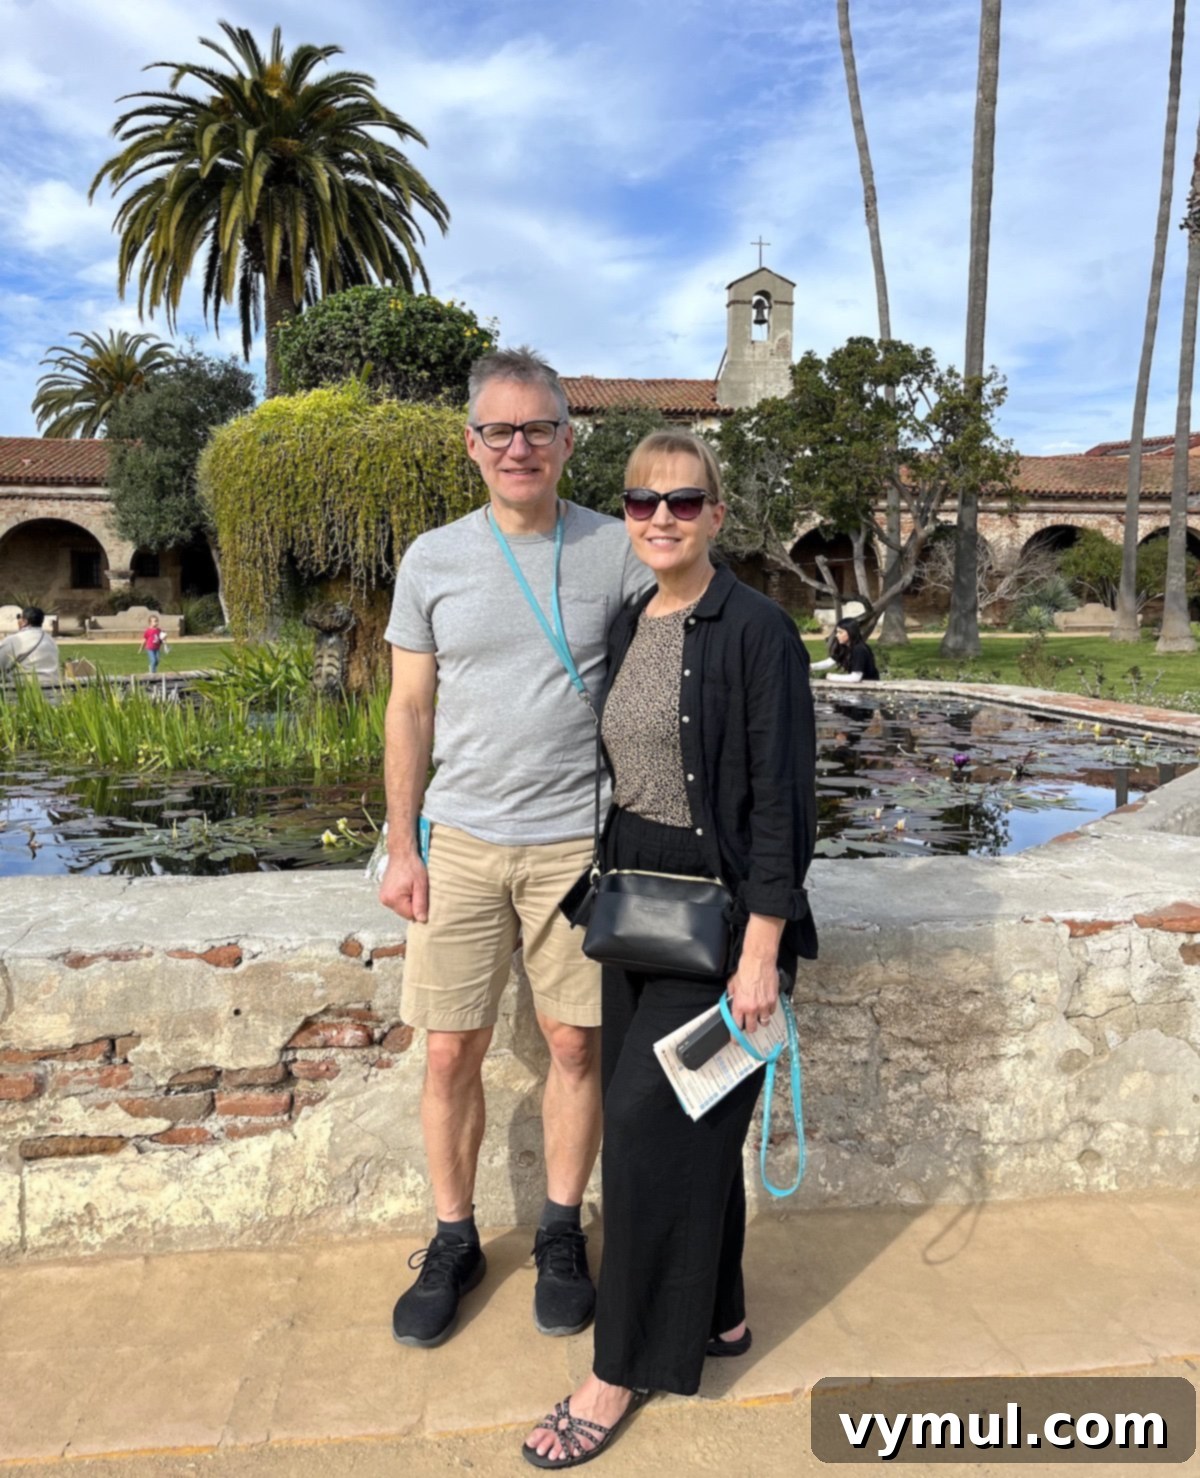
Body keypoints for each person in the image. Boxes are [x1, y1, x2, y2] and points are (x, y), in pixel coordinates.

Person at [523, 430, 818, 1468]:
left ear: (716, 515)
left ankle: (618, 1369)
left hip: (725, 921)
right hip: (638, 909)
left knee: (646, 1134)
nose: (661, 517)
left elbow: (783, 803)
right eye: (643, 501)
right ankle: (721, 1313)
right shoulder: (628, 620)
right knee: (688, 1131)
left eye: (684, 501)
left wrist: (761, 950)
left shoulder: (759, 631)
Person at [380, 347, 653, 1351]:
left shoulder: (617, 550)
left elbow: (673, 662)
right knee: (450, 1047)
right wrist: (401, 844)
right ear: (472, 444)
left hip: (576, 845)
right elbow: (410, 708)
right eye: (498, 430)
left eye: (538, 428)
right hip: (457, 841)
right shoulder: (432, 559)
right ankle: (454, 1238)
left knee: (575, 1043)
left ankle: (560, 1228)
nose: (518, 446)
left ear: (568, 441)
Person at [811, 615, 879, 683]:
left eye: (840, 632)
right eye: (837, 632)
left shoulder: (859, 649)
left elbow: (855, 677)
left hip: (869, 685)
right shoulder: (845, 647)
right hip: (859, 685)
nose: (837, 635)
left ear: (851, 632)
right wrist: (810, 667)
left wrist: (832, 677)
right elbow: (830, 662)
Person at [0, 606, 60, 681]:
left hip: (23, 685)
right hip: (52, 684)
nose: (18, 620)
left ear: (24, 622)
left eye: (19, 617)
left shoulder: (13, 640)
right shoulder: (51, 641)